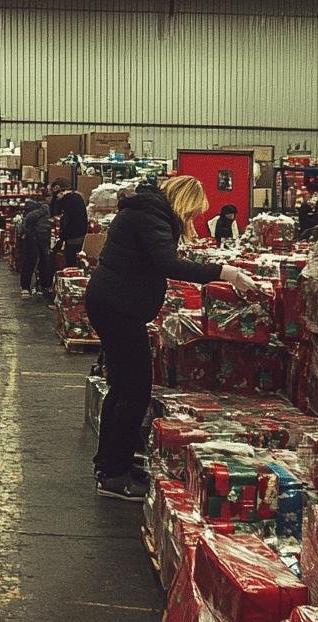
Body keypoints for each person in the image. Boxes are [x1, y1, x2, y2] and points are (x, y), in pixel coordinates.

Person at [85, 176, 258, 500]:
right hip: (119, 308)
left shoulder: (146, 210)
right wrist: (223, 272)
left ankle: (109, 464)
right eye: (192, 213)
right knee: (135, 392)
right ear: (183, 202)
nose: (191, 220)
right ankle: (114, 475)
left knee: (122, 388)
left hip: (112, 303)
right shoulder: (152, 214)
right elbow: (168, 264)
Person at [49, 179, 88, 269]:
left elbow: (55, 212)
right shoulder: (77, 197)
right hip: (80, 234)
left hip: (72, 236)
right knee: (76, 259)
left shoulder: (67, 200)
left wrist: (62, 237)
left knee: (70, 261)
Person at [18, 198, 51, 296]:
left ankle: (25, 287)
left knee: (30, 262)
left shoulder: (31, 215)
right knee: (43, 262)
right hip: (43, 239)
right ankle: (43, 286)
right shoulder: (44, 212)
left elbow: (26, 227)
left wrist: (29, 236)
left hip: (34, 239)